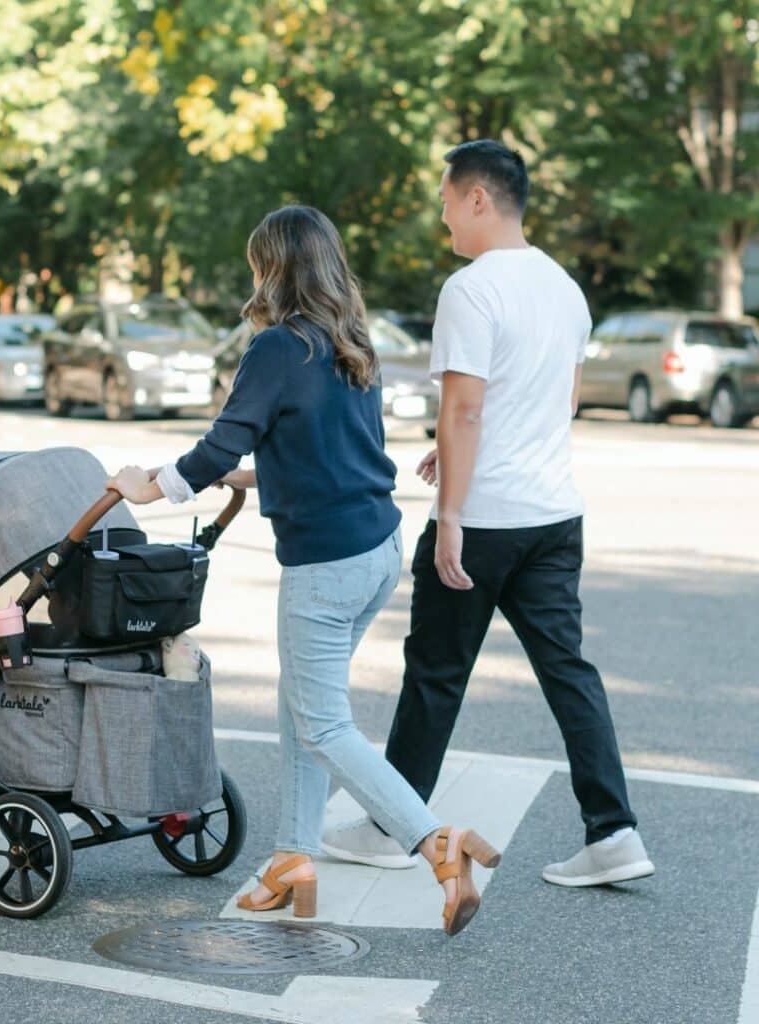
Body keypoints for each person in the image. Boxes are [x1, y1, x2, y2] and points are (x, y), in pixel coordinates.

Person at [106, 204, 500, 936]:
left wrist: (149, 486)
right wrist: (258, 482)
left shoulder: (277, 348)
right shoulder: (352, 342)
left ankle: (433, 842)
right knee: (302, 711)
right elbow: (330, 449)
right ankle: (294, 860)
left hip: (325, 564)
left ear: (274, 269)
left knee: (323, 725)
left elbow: (221, 443)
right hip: (374, 548)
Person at [321, 140, 655, 888]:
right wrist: (460, 452)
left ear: (478, 198)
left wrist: (449, 513)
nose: (443, 218)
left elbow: (465, 408)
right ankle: (615, 832)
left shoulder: (470, 289)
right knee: (569, 670)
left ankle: (389, 824)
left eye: (446, 201)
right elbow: (556, 403)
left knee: (436, 671)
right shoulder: (566, 288)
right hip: (554, 515)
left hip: (488, 521)